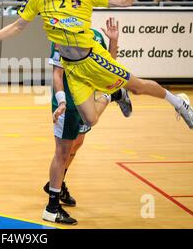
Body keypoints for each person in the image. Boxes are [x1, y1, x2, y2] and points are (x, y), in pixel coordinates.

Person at [0, 0, 193, 162]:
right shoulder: (40, 0)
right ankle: (112, 95)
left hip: (93, 59)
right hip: (72, 67)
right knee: (90, 119)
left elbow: (125, 1)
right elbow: (17, 27)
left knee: (138, 87)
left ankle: (178, 102)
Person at [42, 17, 132, 224]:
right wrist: (61, 101)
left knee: (77, 144)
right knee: (62, 151)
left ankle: (57, 183)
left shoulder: (95, 36)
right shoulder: (60, 37)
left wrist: (113, 42)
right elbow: (57, 75)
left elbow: (109, 67)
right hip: (68, 102)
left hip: (86, 98)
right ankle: (52, 207)